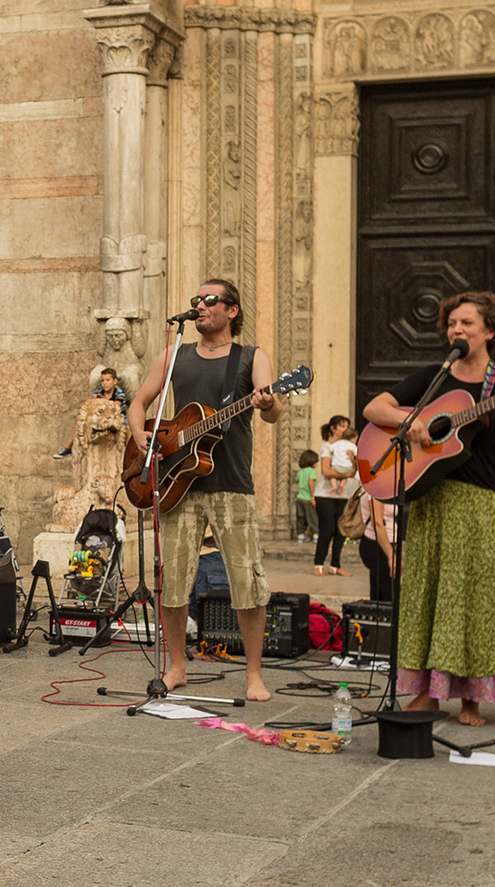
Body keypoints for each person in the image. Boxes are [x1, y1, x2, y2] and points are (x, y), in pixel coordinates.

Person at [363, 290, 495, 727]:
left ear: (489, 330)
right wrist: (409, 422)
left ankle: (472, 699)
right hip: (436, 504)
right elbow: (375, 407)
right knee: (431, 601)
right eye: (452, 323)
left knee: (478, 603)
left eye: (467, 323)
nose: (457, 330)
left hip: (487, 507)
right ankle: (428, 695)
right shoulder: (436, 376)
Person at [125, 279, 284, 702]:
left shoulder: (251, 357)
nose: (199, 306)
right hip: (177, 483)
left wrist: (269, 402)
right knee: (173, 580)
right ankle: (176, 667)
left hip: (231, 483)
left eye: (209, 300)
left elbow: (273, 411)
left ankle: (253, 675)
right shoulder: (176, 354)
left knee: (247, 581)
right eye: (195, 301)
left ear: (232, 311)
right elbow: (138, 402)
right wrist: (141, 436)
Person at [314, 416, 357, 578]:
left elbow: (354, 472)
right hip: (325, 494)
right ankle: (318, 563)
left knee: (341, 531)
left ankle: (335, 565)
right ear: (333, 428)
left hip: (344, 494)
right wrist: (345, 474)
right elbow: (326, 471)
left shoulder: (351, 447)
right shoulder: (327, 447)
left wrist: (353, 462)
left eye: (347, 425)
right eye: (342, 425)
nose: (345, 428)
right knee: (327, 530)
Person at [54, 368, 122, 458]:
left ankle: (131, 452)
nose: (104, 383)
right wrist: (95, 401)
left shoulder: (119, 394)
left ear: (115, 381)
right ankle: (68, 448)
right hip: (100, 418)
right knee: (80, 421)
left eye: (107, 380)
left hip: (116, 419)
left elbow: (115, 406)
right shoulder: (98, 393)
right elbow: (92, 407)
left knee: (128, 429)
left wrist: (102, 401)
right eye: (102, 380)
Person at [361, 492, 395, 603]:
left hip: (387, 545)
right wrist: (391, 555)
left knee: (379, 596)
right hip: (376, 545)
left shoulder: (388, 489)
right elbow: (377, 523)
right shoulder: (376, 491)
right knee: (389, 596)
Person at [294, 450, 319, 544]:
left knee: (301, 517)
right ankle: (316, 535)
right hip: (308, 498)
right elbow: (311, 483)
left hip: (300, 498)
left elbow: (298, 480)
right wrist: (313, 496)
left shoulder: (300, 472)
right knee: (313, 517)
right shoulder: (312, 471)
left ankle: (300, 535)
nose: (317, 463)